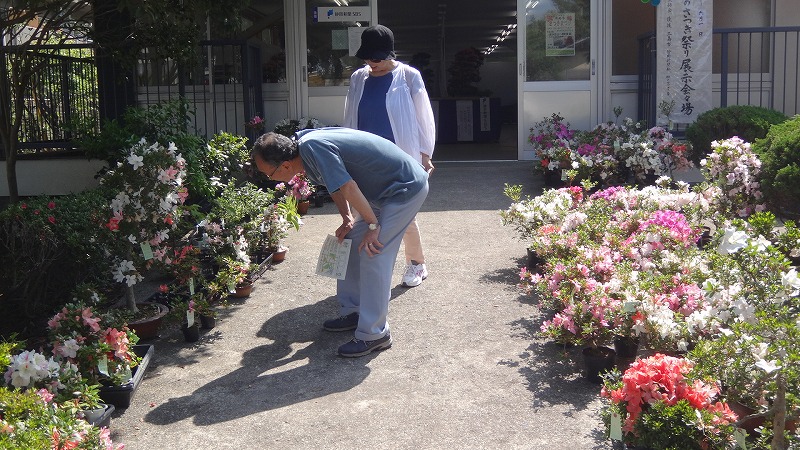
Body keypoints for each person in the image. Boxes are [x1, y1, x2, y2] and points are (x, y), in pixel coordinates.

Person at [250, 128, 429, 357]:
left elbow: (348, 187)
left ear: (285, 166)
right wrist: (347, 218)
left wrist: (374, 227)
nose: (269, 178)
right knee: (353, 239)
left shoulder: (313, 147)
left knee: (374, 251)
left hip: (404, 187)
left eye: (269, 174)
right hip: (378, 191)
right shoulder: (303, 149)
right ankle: (354, 310)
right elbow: (335, 182)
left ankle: (375, 334)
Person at [344, 24, 436, 288]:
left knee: (402, 215)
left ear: (389, 54)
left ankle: (417, 264)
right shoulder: (358, 78)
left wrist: (425, 154)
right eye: (368, 59)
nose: (372, 64)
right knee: (364, 214)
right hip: (364, 158)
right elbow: (351, 116)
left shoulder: (408, 76)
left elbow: (424, 118)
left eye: (378, 59)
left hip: (399, 158)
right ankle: (366, 268)